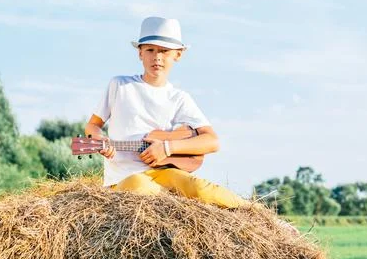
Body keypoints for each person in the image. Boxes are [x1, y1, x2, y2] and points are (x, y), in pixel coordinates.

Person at [85, 15, 299, 238]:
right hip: (122, 180)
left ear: (178, 55)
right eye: (150, 50)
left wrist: (167, 148)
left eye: (164, 51)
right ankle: (174, 215)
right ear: (139, 52)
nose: (156, 57)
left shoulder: (179, 99)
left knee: (199, 188)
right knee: (139, 185)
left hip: (162, 173)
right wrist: (100, 140)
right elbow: (93, 126)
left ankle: (267, 220)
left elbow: (212, 141)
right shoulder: (120, 85)